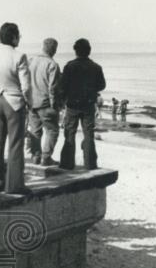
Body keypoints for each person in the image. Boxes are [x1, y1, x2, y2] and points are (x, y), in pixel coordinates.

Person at [0, 22, 31, 194]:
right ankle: (14, 186)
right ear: (14, 37)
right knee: (15, 144)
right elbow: (26, 87)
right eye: (19, 35)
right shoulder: (19, 56)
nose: (20, 38)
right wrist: (28, 102)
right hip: (14, 102)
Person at [56, 38, 107, 171]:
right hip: (88, 105)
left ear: (76, 51)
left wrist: (62, 100)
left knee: (69, 133)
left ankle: (67, 163)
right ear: (89, 51)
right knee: (88, 134)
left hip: (72, 105)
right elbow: (102, 85)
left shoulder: (69, 66)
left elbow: (62, 87)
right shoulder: (96, 67)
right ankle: (90, 164)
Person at [26, 38, 62, 166]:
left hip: (31, 102)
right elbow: (53, 87)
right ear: (54, 49)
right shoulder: (52, 64)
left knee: (35, 130)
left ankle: (36, 156)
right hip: (45, 103)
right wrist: (55, 105)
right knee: (52, 131)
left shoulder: (31, 61)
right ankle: (46, 157)